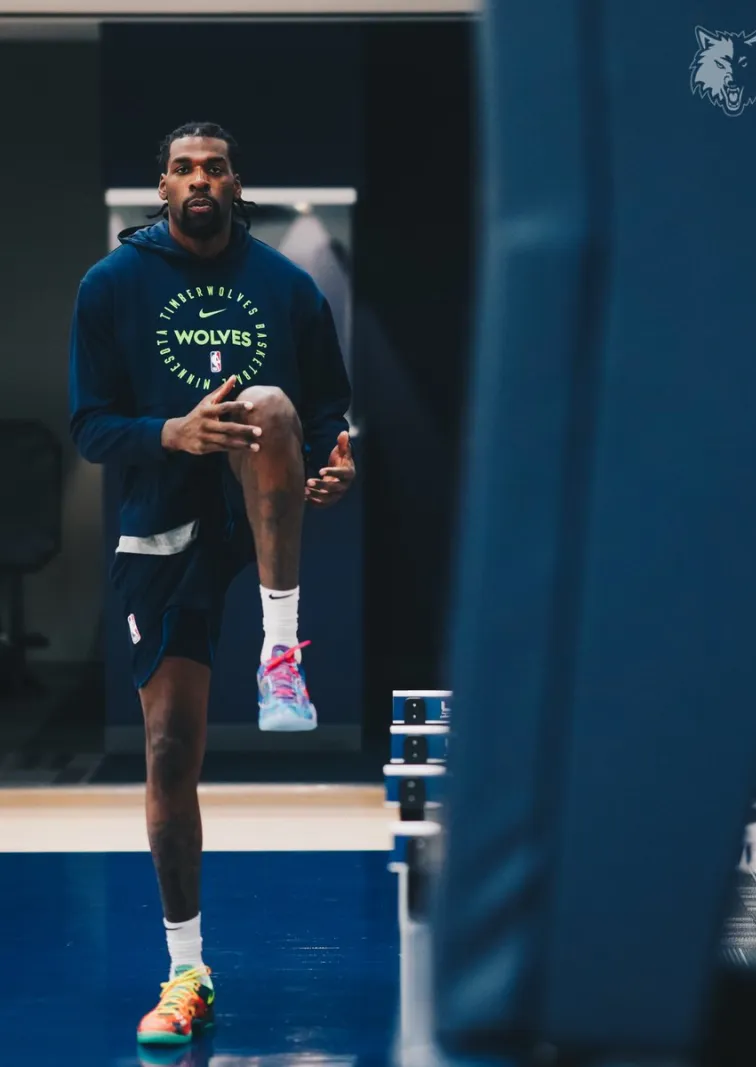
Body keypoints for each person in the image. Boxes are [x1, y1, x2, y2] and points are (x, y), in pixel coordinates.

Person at [68, 121, 355, 1046]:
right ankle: (187, 966)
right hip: (165, 522)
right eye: (184, 168)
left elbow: (325, 415)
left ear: (238, 184)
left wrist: (329, 465)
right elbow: (89, 425)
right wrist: (174, 433)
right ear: (162, 188)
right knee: (167, 750)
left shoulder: (287, 286)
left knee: (267, 401)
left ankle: (283, 651)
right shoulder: (111, 286)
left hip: (259, 510)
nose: (200, 180)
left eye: (216, 168)